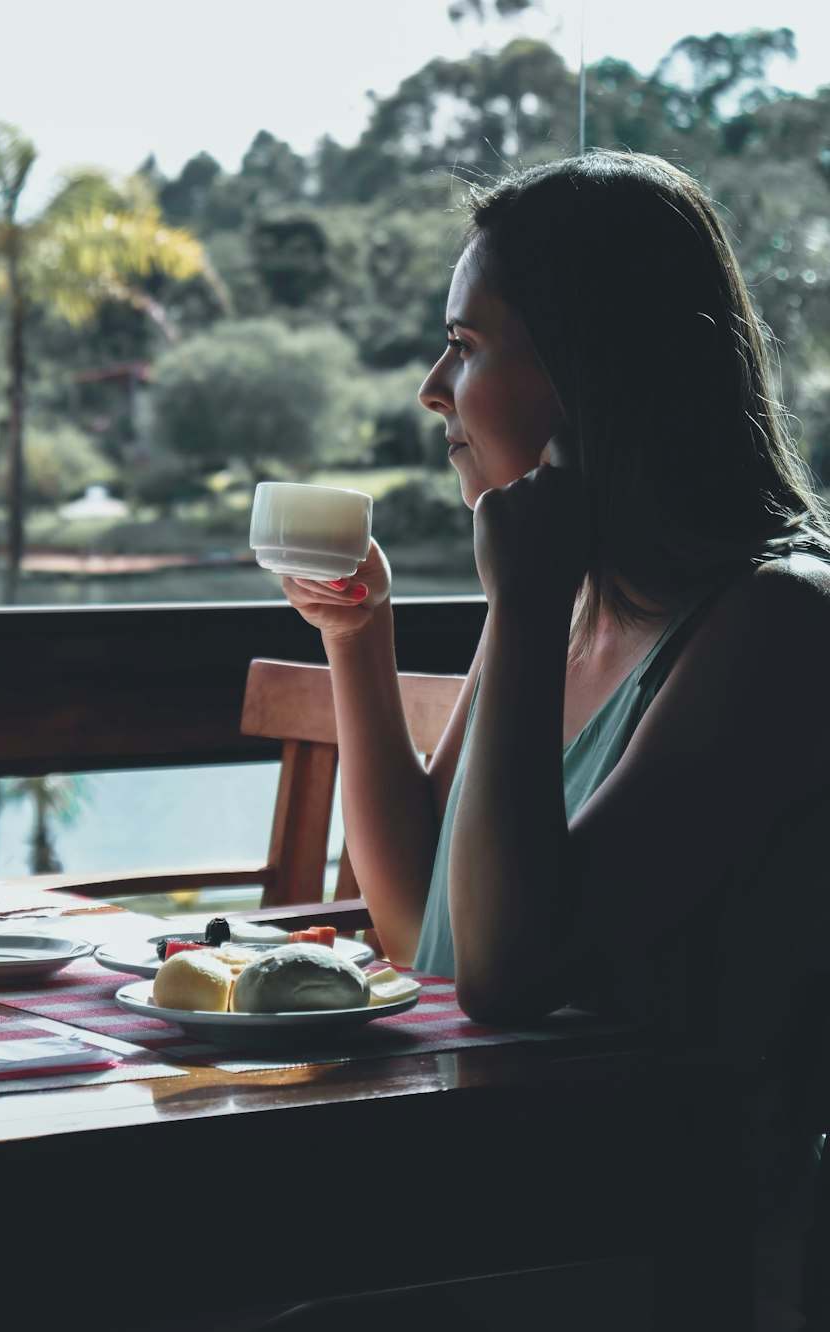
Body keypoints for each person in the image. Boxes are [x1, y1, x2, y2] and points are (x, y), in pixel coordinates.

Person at [270, 149, 830, 1330]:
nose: (433, 387)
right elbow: (423, 918)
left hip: (657, 1233)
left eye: (465, 346)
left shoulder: (778, 623)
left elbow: (510, 978)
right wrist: (358, 643)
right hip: (501, 1169)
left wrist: (518, 607)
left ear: (590, 368)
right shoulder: (568, 599)